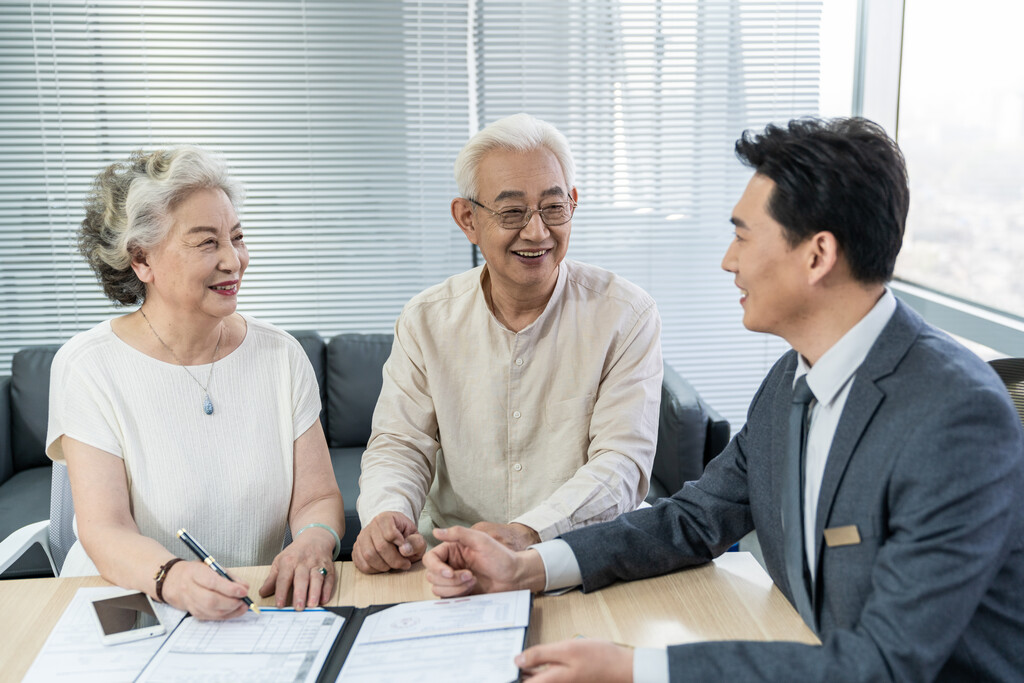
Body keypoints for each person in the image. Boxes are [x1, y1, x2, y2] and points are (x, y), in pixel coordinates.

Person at [423, 117, 1024, 681]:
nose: (727, 261)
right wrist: (529, 568)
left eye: (743, 235)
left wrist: (642, 669)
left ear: (818, 255)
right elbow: (693, 520)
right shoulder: (795, 377)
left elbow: (886, 665)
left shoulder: (955, 417)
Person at [354, 113, 663, 574]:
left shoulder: (625, 314)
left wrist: (528, 532)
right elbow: (401, 444)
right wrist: (386, 513)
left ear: (573, 204)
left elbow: (622, 463)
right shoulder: (426, 319)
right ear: (468, 219)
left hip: (583, 558)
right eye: (512, 212)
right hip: (456, 562)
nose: (537, 232)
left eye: (553, 208)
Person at [46, 147, 345, 620]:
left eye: (237, 237)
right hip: (127, 600)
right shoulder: (88, 365)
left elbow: (317, 497)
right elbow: (105, 530)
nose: (234, 261)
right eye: (207, 243)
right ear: (141, 259)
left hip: (244, 604)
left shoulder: (281, 354)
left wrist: (315, 540)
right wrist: (173, 578)